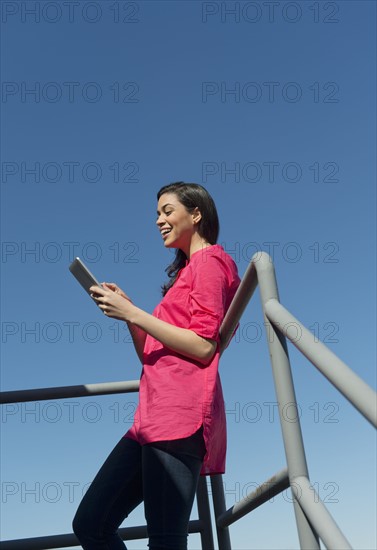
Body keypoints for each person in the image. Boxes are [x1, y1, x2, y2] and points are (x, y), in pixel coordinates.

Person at [72, 182, 241, 550]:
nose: (158, 220)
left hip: (181, 417)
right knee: (90, 523)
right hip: (149, 420)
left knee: (165, 539)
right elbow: (151, 353)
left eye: (167, 211)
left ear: (195, 214)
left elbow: (203, 346)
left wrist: (134, 313)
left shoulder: (211, 261)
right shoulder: (185, 274)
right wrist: (130, 316)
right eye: (157, 214)